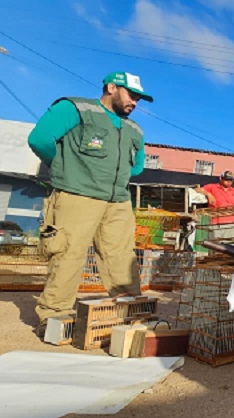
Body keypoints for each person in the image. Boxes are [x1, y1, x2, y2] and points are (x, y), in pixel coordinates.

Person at [27, 71, 154, 336]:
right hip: (76, 194)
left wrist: (112, 177)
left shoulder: (134, 129)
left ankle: (130, 312)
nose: (135, 102)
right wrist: (68, 169)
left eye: (139, 98)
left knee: (122, 257)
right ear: (111, 87)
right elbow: (39, 139)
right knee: (68, 253)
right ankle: (54, 315)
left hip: (118, 200)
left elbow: (138, 166)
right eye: (131, 95)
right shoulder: (75, 108)